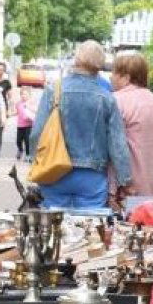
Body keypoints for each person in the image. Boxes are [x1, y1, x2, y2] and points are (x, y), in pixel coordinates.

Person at [29, 41, 131, 209]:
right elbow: (117, 144)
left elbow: (37, 133)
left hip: (54, 171)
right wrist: (124, 179)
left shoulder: (53, 91)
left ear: (76, 59)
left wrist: (36, 161)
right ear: (99, 66)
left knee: (55, 227)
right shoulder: (106, 98)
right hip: (92, 176)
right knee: (89, 227)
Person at [109, 53, 153, 200]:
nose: (111, 77)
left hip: (128, 189)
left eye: (114, 73)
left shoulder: (116, 101)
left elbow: (112, 146)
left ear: (126, 77)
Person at [14, 87, 35, 160]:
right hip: (20, 125)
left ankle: (28, 155)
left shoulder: (31, 102)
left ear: (29, 95)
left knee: (27, 140)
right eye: (22, 94)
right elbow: (17, 112)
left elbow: (35, 111)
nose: (24, 96)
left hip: (29, 125)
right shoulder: (18, 103)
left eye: (25, 94)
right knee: (18, 140)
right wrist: (10, 114)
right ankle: (20, 150)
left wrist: (29, 107)